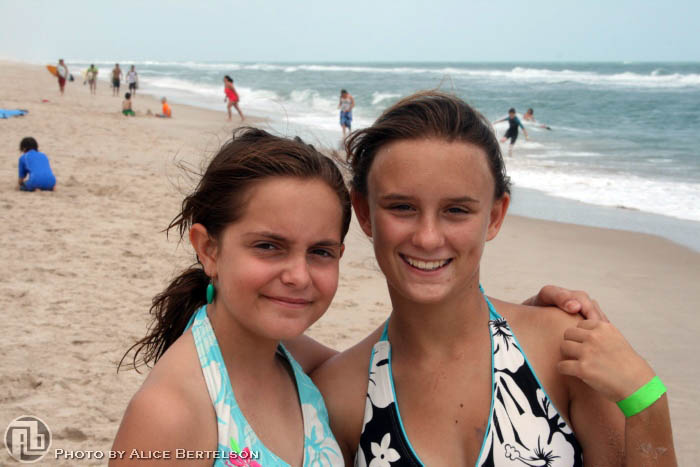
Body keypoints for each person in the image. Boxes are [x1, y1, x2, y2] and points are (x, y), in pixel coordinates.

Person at [312, 91, 677, 466]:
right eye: (402, 207)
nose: (428, 238)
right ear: (364, 212)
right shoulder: (340, 394)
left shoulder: (564, 349)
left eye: (457, 210)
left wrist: (647, 401)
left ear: (495, 216)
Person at [111, 128, 349, 466]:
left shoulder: (296, 359)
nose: (299, 276)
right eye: (268, 246)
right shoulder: (169, 414)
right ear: (209, 250)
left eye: (320, 252)